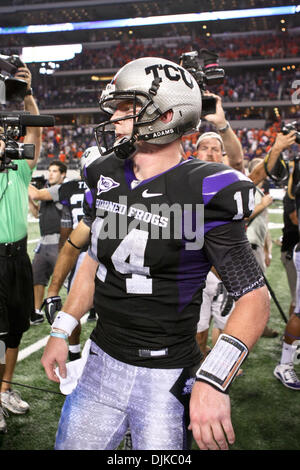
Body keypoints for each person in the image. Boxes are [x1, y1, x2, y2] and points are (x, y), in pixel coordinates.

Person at [41, 57, 269, 450]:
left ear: (166, 114)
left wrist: (214, 378)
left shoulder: (206, 187)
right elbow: (94, 258)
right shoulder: (106, 173)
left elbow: (254, 297)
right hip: (101, 358)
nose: (113, 118)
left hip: (167, 372)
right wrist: (63, 328)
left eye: (127, 109)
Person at [0, 63, 42, 433]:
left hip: (18, 257)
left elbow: (35, 135)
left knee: (15, 330)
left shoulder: (18, 168)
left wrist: (26, 94)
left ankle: (5, 390)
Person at [28, 160, 67, 325]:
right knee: (37, 277)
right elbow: (37, 214)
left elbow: (36, 194)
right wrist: (30, 198)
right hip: (43, 243)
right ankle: (37, 312)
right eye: (49, 171)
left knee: (66, 281)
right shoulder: (48, 191)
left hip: (58, 243)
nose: (50, 174)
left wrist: (24, 180)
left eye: (55, 171)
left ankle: (78, 310)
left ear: (63, 175)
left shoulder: (60, 189)